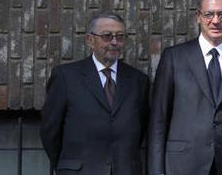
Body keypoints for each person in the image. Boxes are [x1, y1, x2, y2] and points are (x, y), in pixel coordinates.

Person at [149, 0, 222, 175]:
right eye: (209, 14)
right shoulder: (174, 58)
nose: (216, 20)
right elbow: (158, 120)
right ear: (198, 16)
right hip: (182, 165)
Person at [40, 12, 149, 175]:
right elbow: (50, 131)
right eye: (107, 36)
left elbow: (141, 128)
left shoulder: (138, 81)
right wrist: (69, 166)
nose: (114, 42)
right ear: (90, 40)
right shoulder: (66, 77)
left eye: (120, 36)